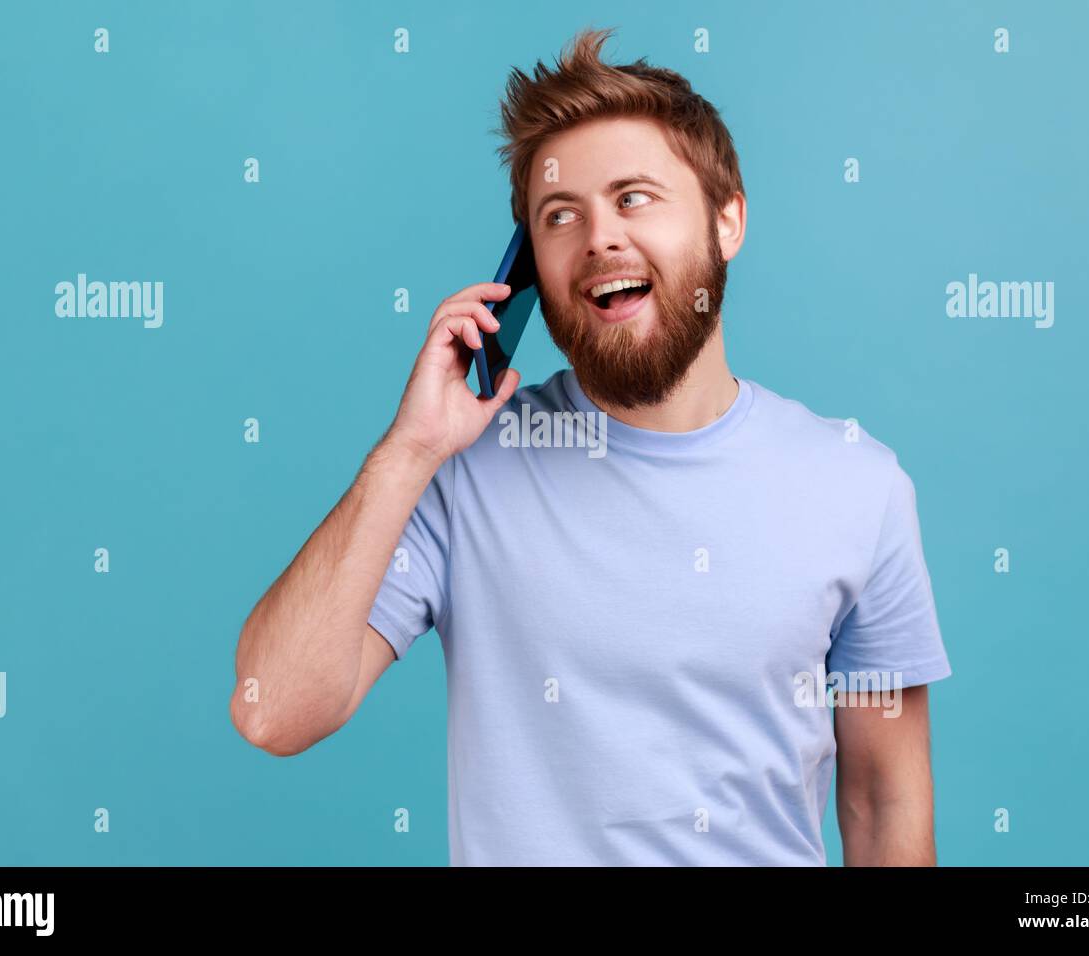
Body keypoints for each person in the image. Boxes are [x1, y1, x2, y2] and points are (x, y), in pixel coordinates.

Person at [230, 27, 951, 866]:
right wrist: (408, 451)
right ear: (529, 267)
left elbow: (883, 799)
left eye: (634, 197)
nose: (600, 237)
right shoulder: (462, 474)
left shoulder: (859, 489)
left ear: (728, 221)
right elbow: (271, 710)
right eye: (560, 216)